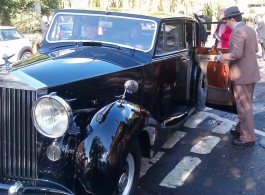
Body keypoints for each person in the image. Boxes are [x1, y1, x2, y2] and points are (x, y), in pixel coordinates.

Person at [215, 6, 260, 146]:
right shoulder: (250, 29)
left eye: (226, 21)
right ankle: (240, 129)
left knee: (243, 107)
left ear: (232, 19)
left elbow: (236, 54)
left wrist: (221, 57)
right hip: (251, 73)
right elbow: (256, 49)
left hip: (242, 75)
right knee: (245, 104)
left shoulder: (237, 31)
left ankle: (247, 137)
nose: (225, 24)